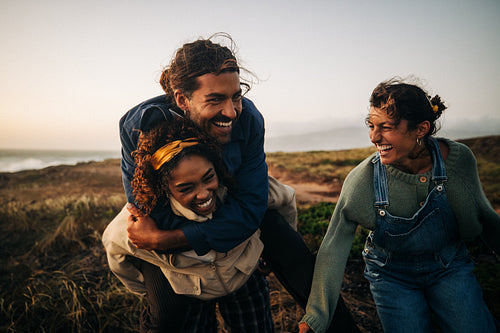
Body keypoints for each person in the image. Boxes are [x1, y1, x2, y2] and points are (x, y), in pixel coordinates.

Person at [114, 33, 359, 332]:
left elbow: (251, 206)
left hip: (231, 203)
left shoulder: (250, 120)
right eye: (215, 99)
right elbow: (150, 213)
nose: (231, 112)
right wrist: (162, 239)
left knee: (294, 255)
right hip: (175, 213)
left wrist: (169, 240)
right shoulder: (140, 128)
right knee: (167, 315)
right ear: (182, 99)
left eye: (236, 95)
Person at [299, 77, 500, 333]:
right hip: (391, 277)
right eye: (371, 125)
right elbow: (334, 246)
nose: (374, 137)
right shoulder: (363, 180)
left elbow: (486, 219)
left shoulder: (458, 161)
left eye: (386, 127)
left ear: (421, 128)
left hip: (450, 268)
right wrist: (316, 316)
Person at [103, 118, 274, 332]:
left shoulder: (238, 193)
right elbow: (114, 251)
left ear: (217, 168)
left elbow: (285, 200)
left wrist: (268, 251)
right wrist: (146, 290)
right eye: (185, 188)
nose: (203, 194)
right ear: (164, 188)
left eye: (208, 178)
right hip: (191, 294)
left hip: (246, 276)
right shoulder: (143, 219)